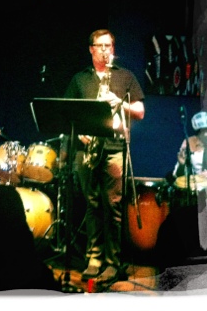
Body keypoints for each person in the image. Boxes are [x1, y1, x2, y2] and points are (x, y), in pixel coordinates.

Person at [63, 29, 145, 284]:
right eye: (99, 45)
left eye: (108, 45)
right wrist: (80, 134)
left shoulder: (125, 76)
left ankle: (112, 262)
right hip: (86, 149)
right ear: (91, 49)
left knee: (113, 206)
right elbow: (67, 113)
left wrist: (119, 101)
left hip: (114, 147)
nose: (104, 50)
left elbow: (140, 111)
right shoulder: (79, 79)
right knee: (92, 205)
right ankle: (94, 258)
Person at [171, 111, 207, 260]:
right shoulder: (190, 143)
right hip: (198, 195)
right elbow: (178, 176)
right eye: (201, 131)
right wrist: (182, 164)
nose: (206, 134)